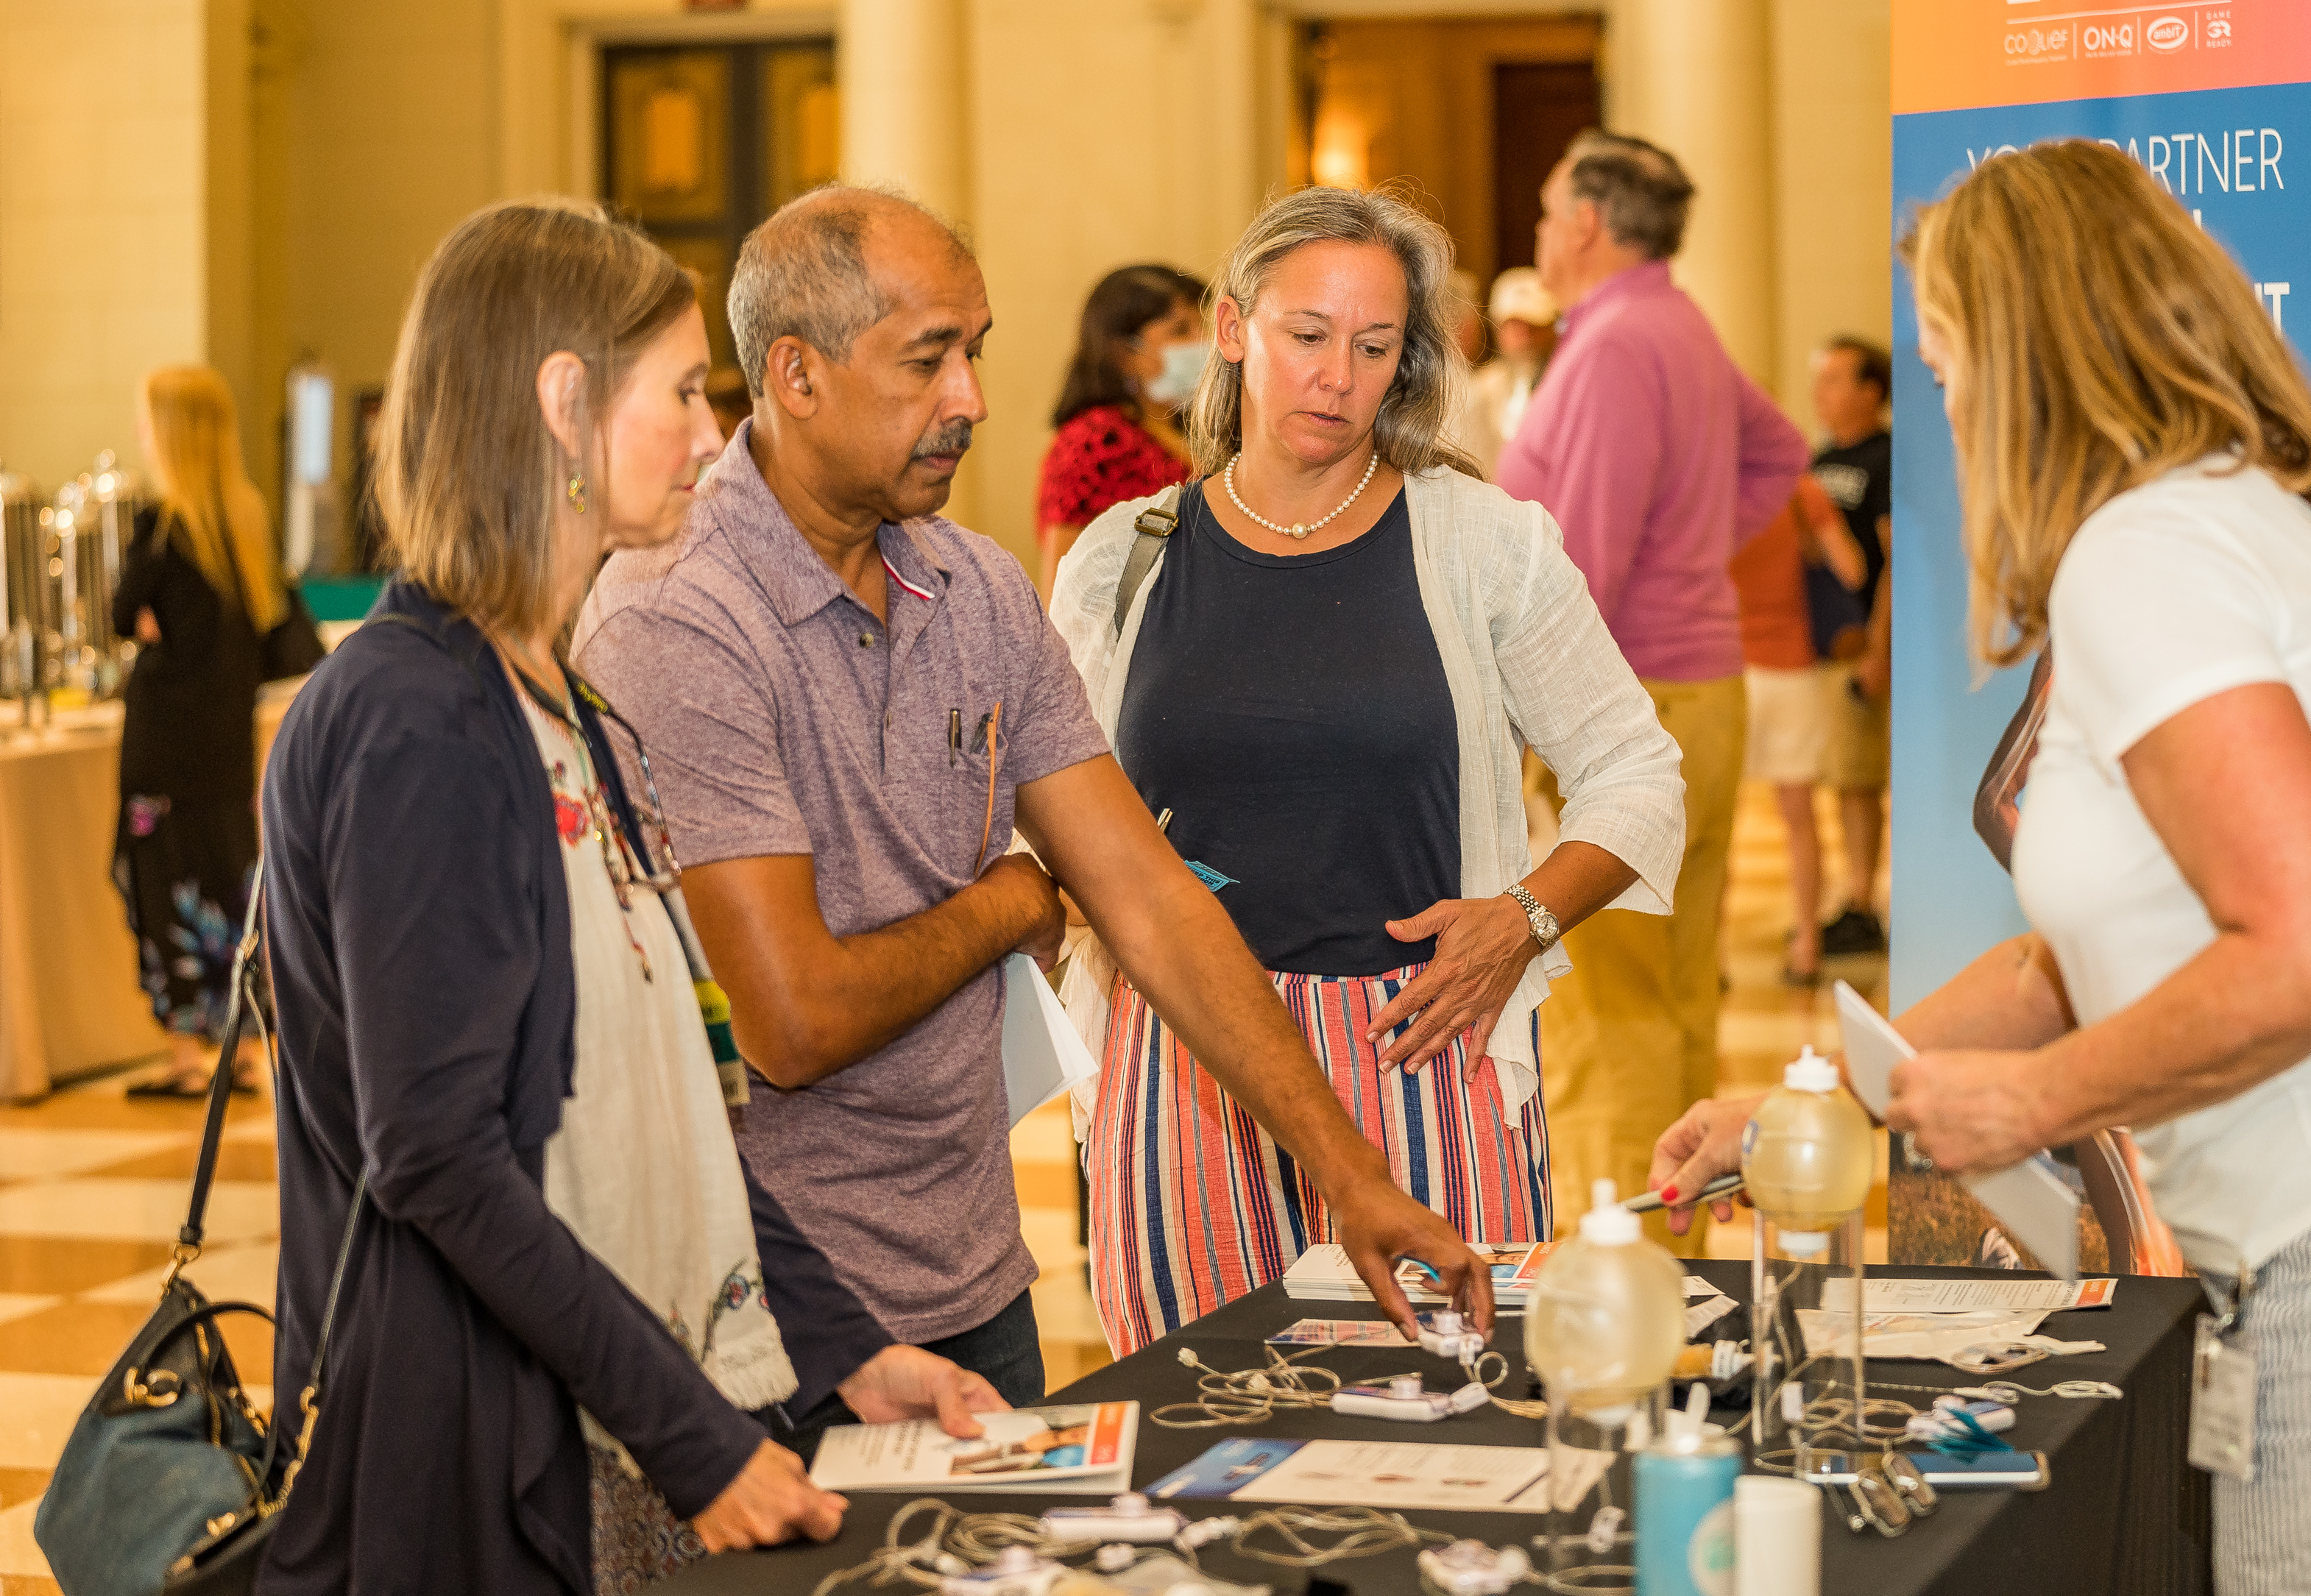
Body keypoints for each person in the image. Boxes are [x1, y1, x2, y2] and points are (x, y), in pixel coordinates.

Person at [1651, 141, 2311, 1595]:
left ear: (2028, 350)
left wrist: (2032, 1106)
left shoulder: (2148, 557)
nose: (1952, 408)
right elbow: (2074, 961)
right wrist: (1817, 1098)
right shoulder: (2193, 525)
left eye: (1949, 363)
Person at [573, 186, 1496, 1405]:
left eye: (976, 351)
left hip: (971, 1273)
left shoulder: (975, 585)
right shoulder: (680, 614)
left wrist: (1353, 1178)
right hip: (759, 1308)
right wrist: (1011, 907)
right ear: (795, 376)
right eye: (927, 360)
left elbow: (1148, 898)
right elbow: (790, 1019)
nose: (974, 400)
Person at [259, 199, 999, 1595]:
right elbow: (434, 1155)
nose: (713, 433)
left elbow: (671, 1108)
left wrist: (850, 1355)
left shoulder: (560, 698)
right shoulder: (411, 713)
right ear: (561, 401)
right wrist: (693, 1442)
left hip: (630, 1420)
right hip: (488, 1455)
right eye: (679, 391)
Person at [1052, 185, 1685, 1355]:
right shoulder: (1120, 564)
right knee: (1203, 1437)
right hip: (1185, 1070)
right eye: (1307, 336)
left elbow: (1639, 773)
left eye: (1374, 347)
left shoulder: (1483, 546)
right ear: (1233, 329)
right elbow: (1066, 833)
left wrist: (1526, 916)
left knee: (1450, 1418)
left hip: (1418, 1048)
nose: (1337, 376)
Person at [1495, 129, 1810, 1241]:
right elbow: (1779, 451)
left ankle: (1629, 1261)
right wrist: (1698, 553)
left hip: (1622, 707)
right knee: (1674, 990)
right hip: (1694, 689)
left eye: (1546, 211)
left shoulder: (1621, 342)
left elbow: (1583, 562)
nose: (1539, 232)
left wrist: (1525, 704)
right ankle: (1678, 1237)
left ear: (1587, 221)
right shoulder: (1673, 322)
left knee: (1608, 1009)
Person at [110, 366, 281, 1098]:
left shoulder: (163, 528)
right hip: (226, 755)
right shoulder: (246, 528)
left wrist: (151, 630)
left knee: (164, 885)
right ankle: (238, 1048)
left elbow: (122, 613)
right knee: (226, 885)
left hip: (163, 755)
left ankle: (186, 1053)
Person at [1728, 478, 1864, 983]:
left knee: (1716, 822)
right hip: (1793, 671)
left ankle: (1709, 955)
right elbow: (1851, 570)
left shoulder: (1715, 489)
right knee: (1800, 818)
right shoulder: (1801, 492)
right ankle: (1807, 945)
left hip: (1728, 668)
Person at [1033, 264, 1207, 597]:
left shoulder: (1205, 428)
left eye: (1204, 324)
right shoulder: (1095, 441)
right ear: (1126, 354)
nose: (1204, 341)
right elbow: (1063, 590)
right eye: (1182, 329)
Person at [1803, 336, 1892, 957]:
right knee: (1847, 780)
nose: (1822, 394)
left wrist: (1881, 651)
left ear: (1872, 391)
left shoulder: (1888, 459)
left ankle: (1867, 899)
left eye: (1837, 380)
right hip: (1829, 652)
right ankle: (1857, 897)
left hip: (1871, 646)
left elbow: (1894, 562)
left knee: (1870, 777)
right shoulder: (1820, 458)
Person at [1459, 267, 1558, 477]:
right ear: (1496, 327)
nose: (1524, 335)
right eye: (1513, 325)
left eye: (1533, 324)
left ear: (1552, 327)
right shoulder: (1479, 390)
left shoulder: (1565, 385)